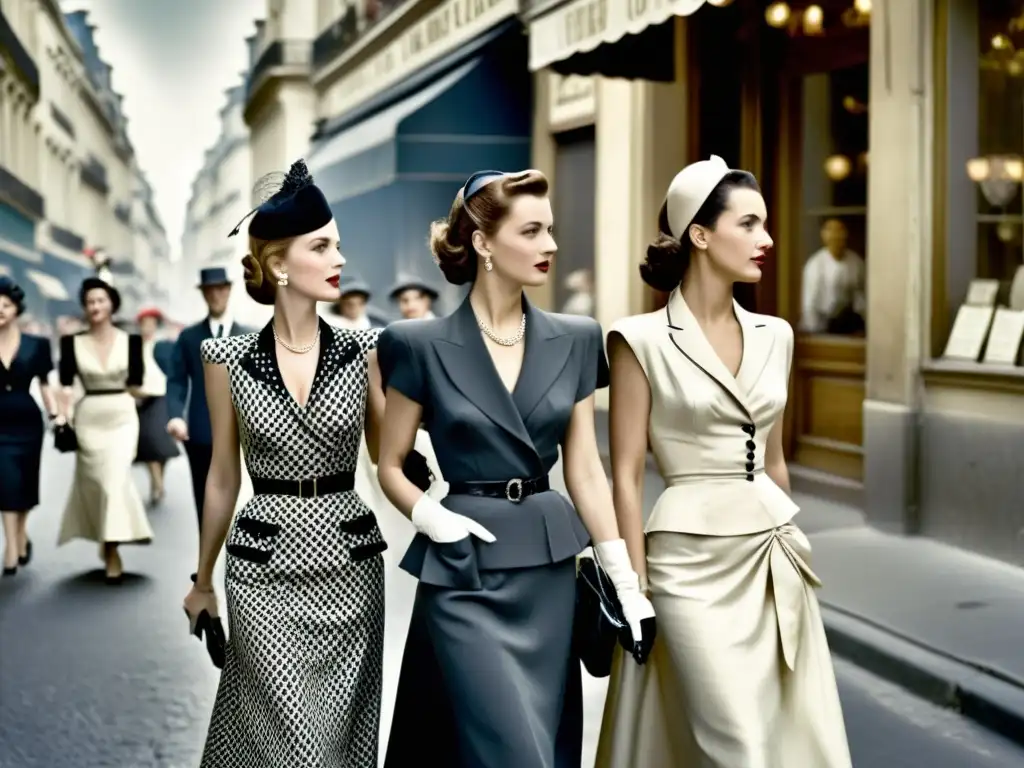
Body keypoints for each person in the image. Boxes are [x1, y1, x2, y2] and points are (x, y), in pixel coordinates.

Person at [377, 169, 655, 768]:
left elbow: (584, 469)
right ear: (482, 243)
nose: (550, 245)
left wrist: (627, 584)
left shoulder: (579, 339)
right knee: (508, 748)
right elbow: (390, 465)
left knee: (539, 738)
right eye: (531, 231)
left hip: (549, 573)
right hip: (462, 571)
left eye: (550, 230)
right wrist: (432, 518)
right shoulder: (415, 344)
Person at [595, 156, 851, 767]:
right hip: (684, 565)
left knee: (787, 735)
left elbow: (774, 459)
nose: (767, 240)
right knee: (735, 742)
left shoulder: (777, 334)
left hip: (771, 557)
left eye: (765, 225)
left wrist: (793, 540)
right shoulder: (639, 339)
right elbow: (625, 473)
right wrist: (634, 585)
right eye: (750, 224)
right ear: (701, 236)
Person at [182, 159, 390, 766]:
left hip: (350, 569)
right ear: (278, 264)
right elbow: (223, 473)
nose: (339, 259)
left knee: (336, 743)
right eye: (322, 246)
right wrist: (201, 582)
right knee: (292, 743)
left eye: (339, 245)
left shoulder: (367, 349)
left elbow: (387, 456)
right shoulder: (223, 357)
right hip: (260, 571)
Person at [57, 278, 152, 584]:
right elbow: (66, 386)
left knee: (114, 480)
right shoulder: (71, 343)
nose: (95, 306)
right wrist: (62, 417)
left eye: (100, 300)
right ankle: (107, 536)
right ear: (85, 308)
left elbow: (136, 385)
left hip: (122, 418)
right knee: (98, 484)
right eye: (90, 302)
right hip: (88, 420)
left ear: (112, 303)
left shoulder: (132, 341)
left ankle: (112, 551)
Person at [166, 268, 253, 535]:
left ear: (228, 290)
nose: (216, 295)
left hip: (246, 432)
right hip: (202, 432)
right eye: (210, 290)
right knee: (205, 501)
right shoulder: (189, 337)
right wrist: (176, 415)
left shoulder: (251, 335)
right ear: (203, 294)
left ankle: (242, 560)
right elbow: (177, 379)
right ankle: (207, 565)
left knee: (245, 501)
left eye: (220, 288)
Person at [0, 277, 58, 577]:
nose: (0, 309)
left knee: (22, 484)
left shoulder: (37, 344)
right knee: (5, 482)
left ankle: (22, 535)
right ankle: (10, 547)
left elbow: (47, 385)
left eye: (6, 304)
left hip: (28, 424)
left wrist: (55, 415)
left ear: (16, 308)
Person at [134, 308, 180, 505]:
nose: (147, 327)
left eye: (151, 323)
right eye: (145, 322)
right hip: (142, 399)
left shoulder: (163, 346)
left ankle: (158, 482)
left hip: (162, 397)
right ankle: (157, 483)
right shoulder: (134, 347)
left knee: (162, 445)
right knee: (147, 444)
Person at [799, 217, 866, 334]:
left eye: (839, 231)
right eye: (831, 231)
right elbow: (810, 302)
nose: (836, 236)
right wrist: (814, 332)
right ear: (824, 236)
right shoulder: (815, 264)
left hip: (849, 323)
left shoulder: (856, 262)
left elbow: (861, 296)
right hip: (822, 325)